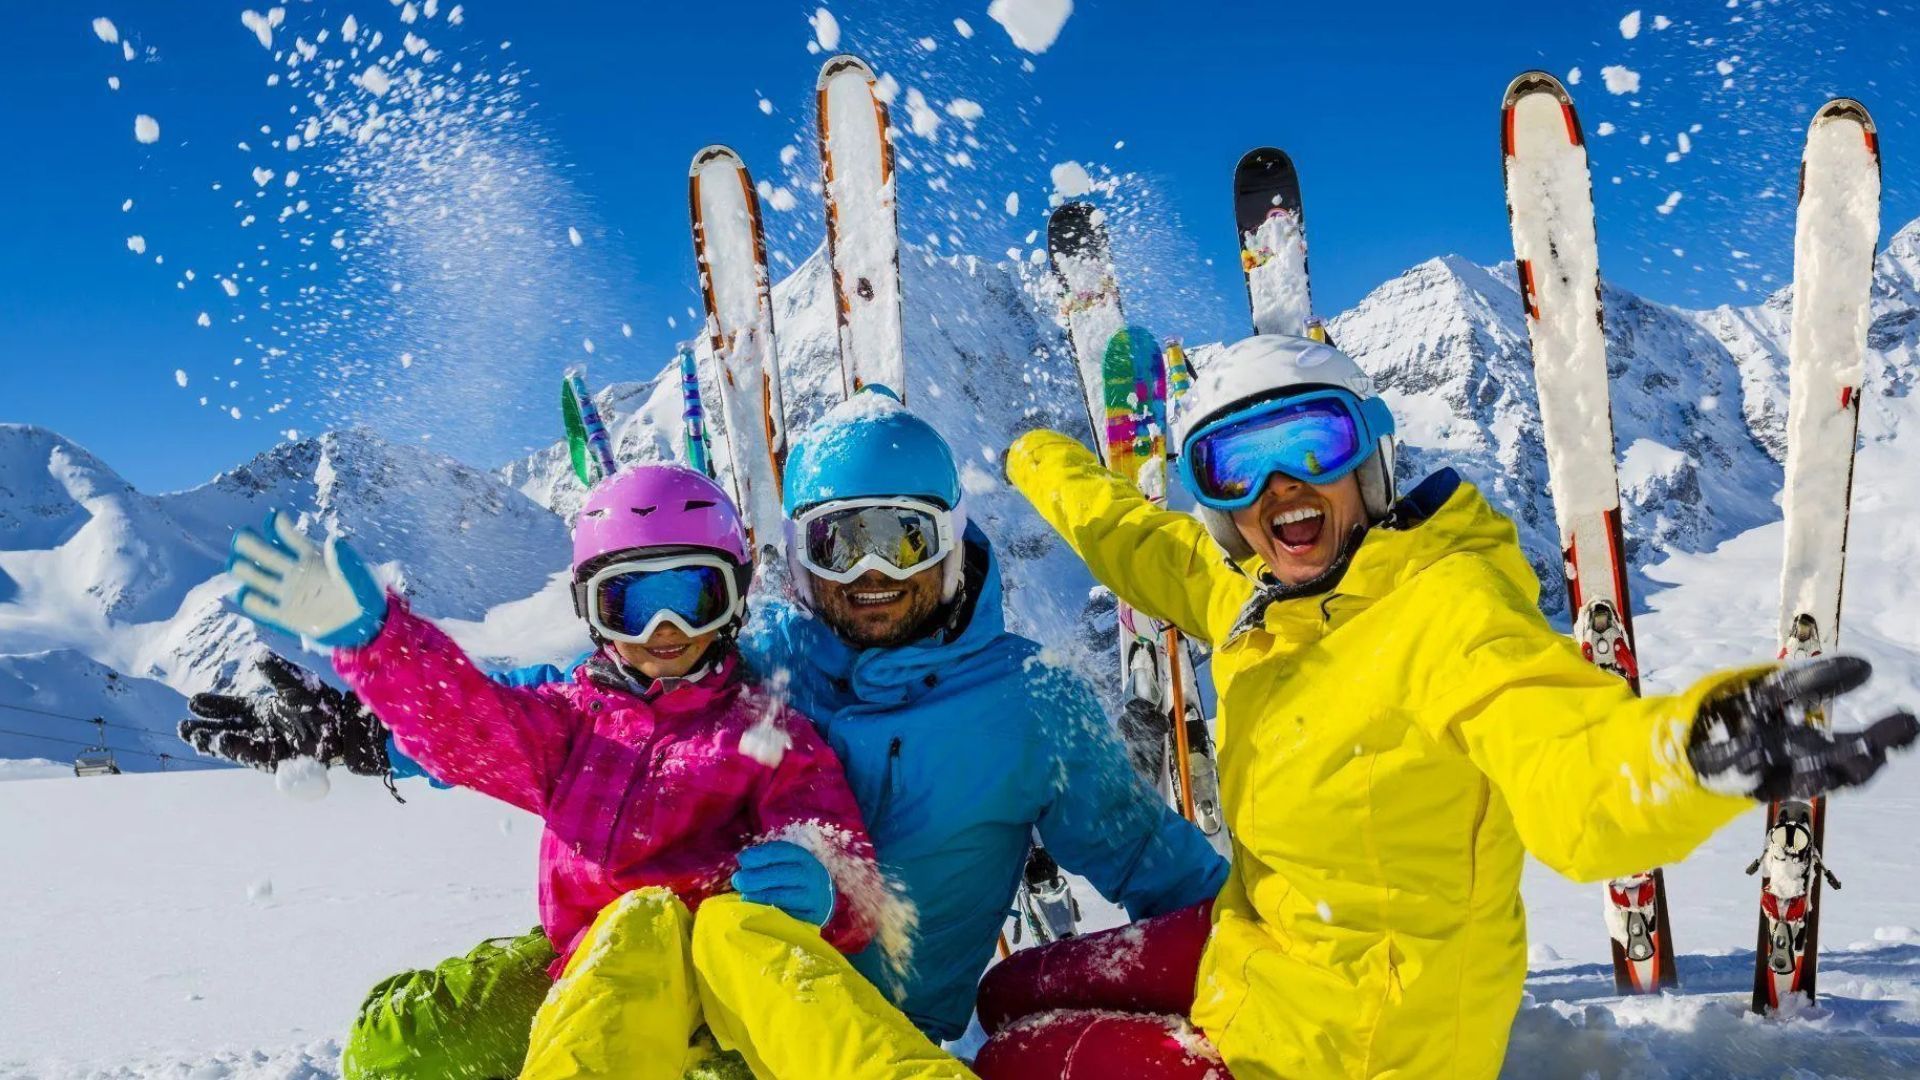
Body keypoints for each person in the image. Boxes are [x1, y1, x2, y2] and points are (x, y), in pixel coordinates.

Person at [978, 333, 1918, 1079]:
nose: (1281, 488)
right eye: (1237, 466)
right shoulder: (1257, 599)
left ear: (1371, 457)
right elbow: (1141, 544)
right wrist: (1033, 458)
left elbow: (1571, 757)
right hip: (1262, 949)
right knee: (1010, 990)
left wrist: (1685, 752)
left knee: (1013, 1056)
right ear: (1219, 505)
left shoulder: (1446, 609)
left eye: (1315, 443)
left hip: (1353, 1047)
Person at [525, 387, 1230, 1066]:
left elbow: (1155, 865)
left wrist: (1266, 963)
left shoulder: (1030, 701)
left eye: (903, 539)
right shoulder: (759, 656)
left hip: (875, 1045)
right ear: (799, 552)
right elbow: (615, 711)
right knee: (459, 1015)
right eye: (838, 543)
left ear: (950, 537)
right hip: (688, 992)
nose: (871, 572)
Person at [214, 464, 958, 1079]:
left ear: (730, 602)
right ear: (595, 612)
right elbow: (470, 731)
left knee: (676, 946)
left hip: (727, 984)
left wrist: (823, 884)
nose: (666, 632)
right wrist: (380, 641)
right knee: (404, 1049)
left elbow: (846, 857)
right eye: (633, 602)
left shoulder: (768, 736)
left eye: (692, 598)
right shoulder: (571, 723)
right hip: (591, 964)